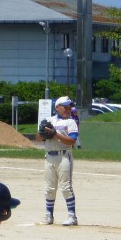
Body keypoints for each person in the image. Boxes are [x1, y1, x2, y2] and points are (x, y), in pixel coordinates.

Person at [37, 95, 79, 225]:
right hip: (49, 156)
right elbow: (38, 139)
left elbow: (72, 141)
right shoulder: (49, 120)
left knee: (66, 186)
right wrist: (43, 132)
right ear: (57, 107)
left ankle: (72, 216)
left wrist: (55, 134)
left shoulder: (71, 122)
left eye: (69, 107)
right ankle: (49, 215)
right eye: (65, 106)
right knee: (49, 188)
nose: (68, 109)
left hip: (64, 156)